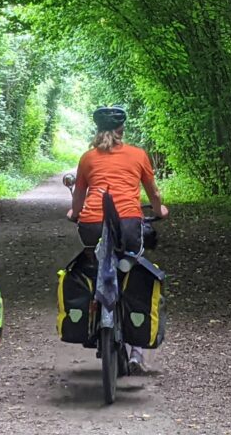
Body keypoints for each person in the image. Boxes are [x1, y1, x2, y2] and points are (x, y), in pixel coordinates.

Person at [67, 105, 168, 373]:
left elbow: (78, 197)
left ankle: (94, 313)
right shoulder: (138, 155)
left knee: (94, 264)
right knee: (133, 270)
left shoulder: (88, 158)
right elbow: (154, 194)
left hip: (91, 225)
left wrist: (73, 213)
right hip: (128, 226)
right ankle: (137, 351)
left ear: (98, 130)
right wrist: (160, 211)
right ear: (122, 131)